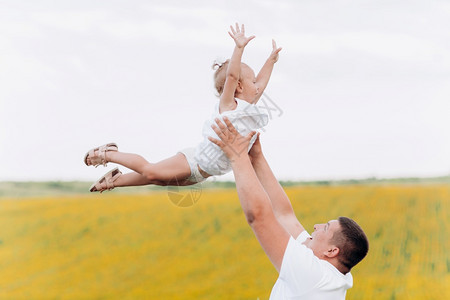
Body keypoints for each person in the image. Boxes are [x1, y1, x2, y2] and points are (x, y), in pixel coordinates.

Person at [84, 23, 282, 192]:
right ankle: (109, 153)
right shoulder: (229, 105)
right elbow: (231, 76)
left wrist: (271, 60)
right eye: (252, 81)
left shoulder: (247, 109)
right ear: (238, 86)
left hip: (204, 172)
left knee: (157, 179)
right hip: (193, 161)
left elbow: (261, 84)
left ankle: (116, 181)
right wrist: (239, 49)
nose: (258, 86)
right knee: (151, 171)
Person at [208, 117, 369, 299]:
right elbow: (285, 215)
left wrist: (237, 157)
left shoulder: (314, 276)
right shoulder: (330, 273)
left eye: (325, 227)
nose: (316, 226)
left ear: (331, 251)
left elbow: (258, 217)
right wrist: (257, 157)